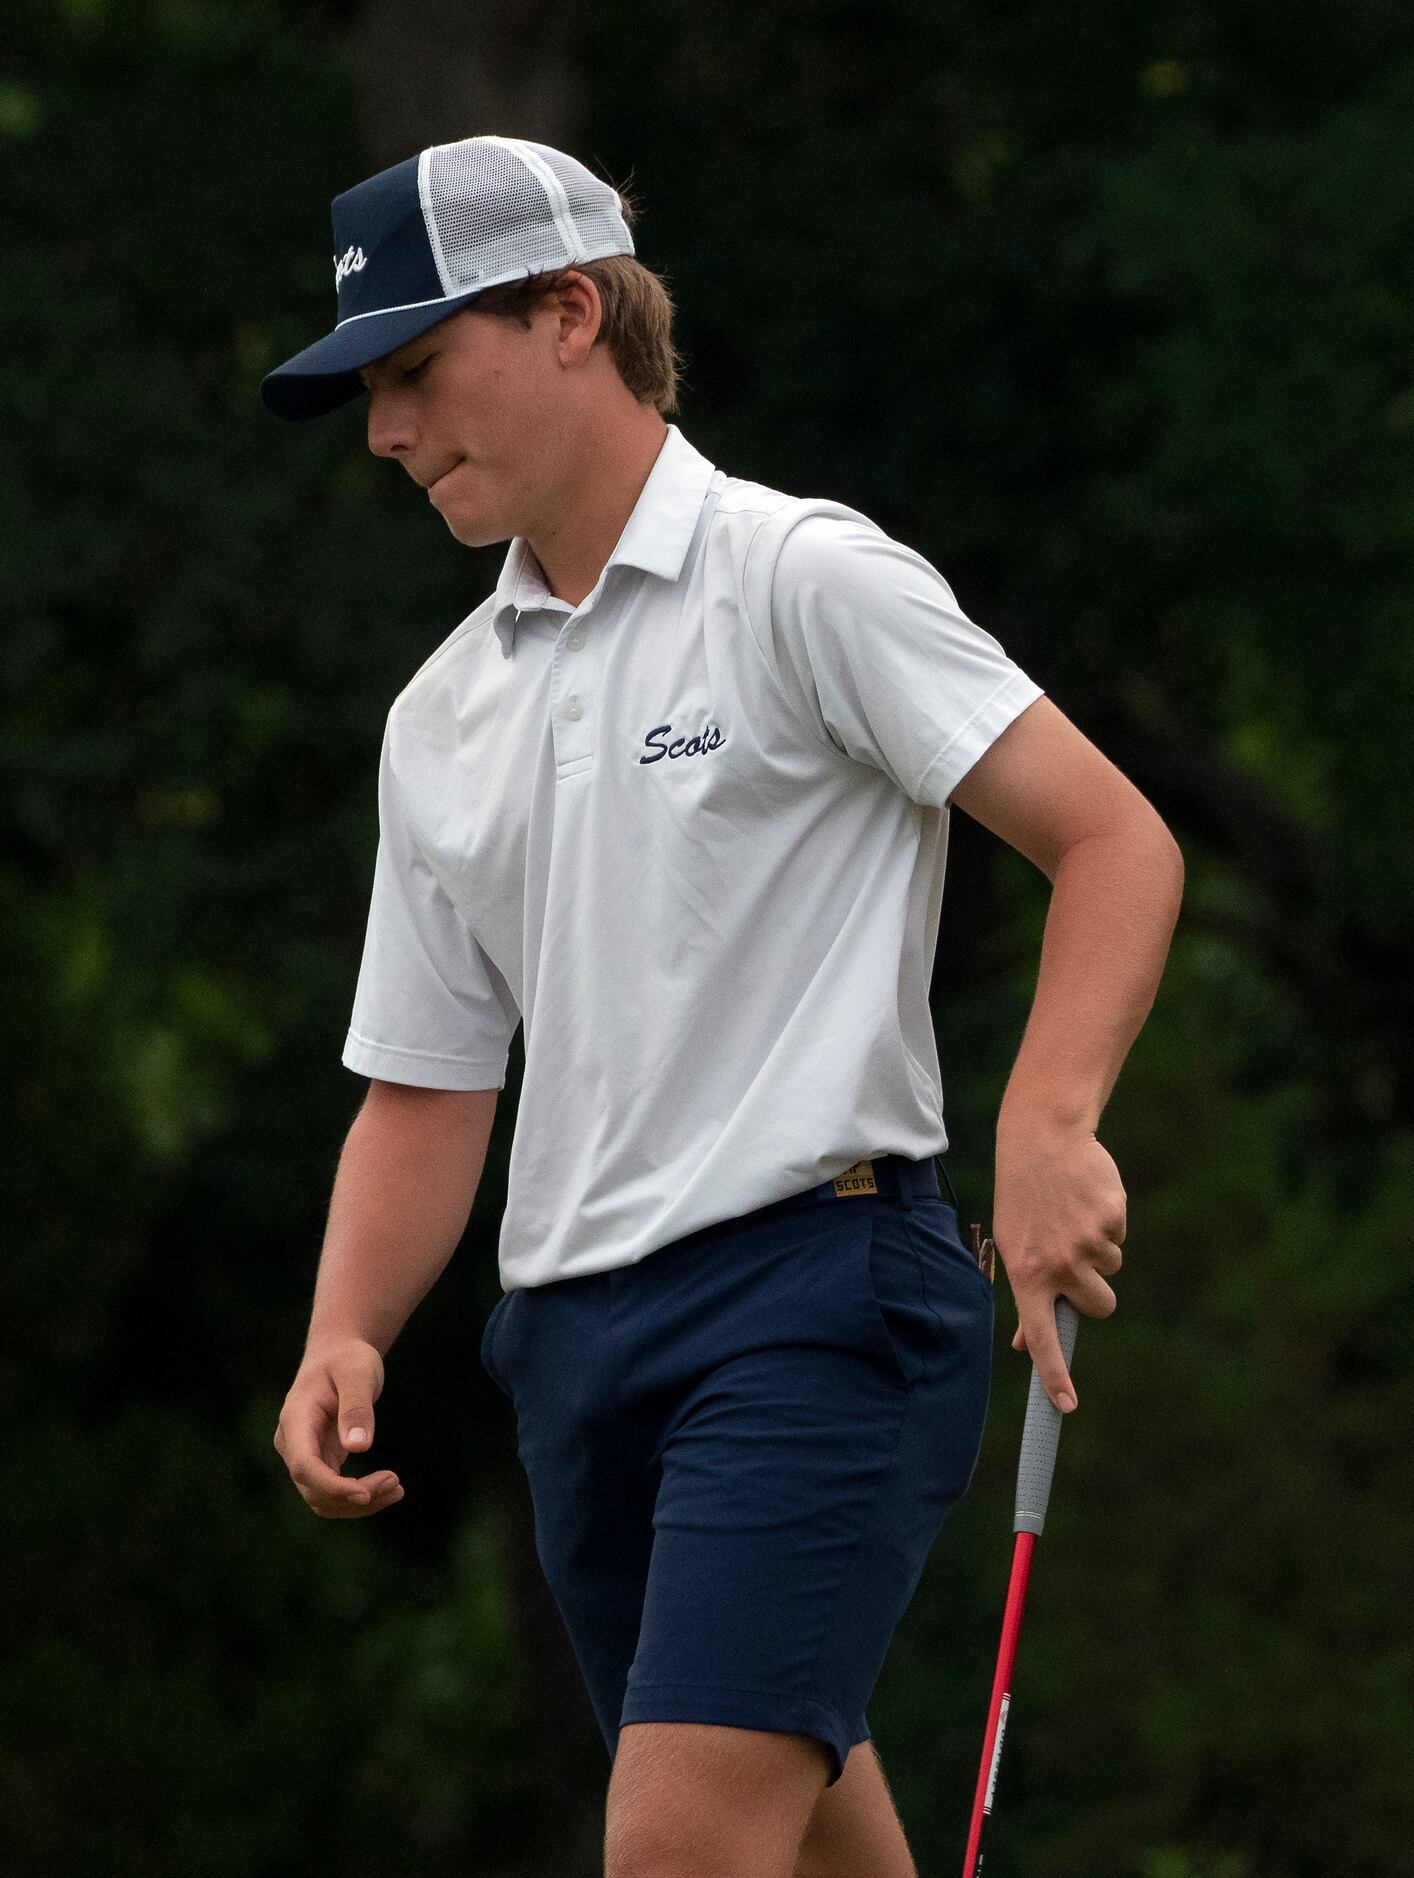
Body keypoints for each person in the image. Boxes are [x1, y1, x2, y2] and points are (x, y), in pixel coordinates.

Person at [264, 135, 1184, 1878]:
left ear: (568, 313)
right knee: (802, 1840)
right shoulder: (438, 714)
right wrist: (346, 1325)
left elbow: (1110, 839)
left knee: (680, 1846)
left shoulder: (801, 578)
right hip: (570, 1353)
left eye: (410, 373)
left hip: (810, 1303)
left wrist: (1046, 1118)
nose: (384, 432)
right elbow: (429, 1085)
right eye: (369, 394)